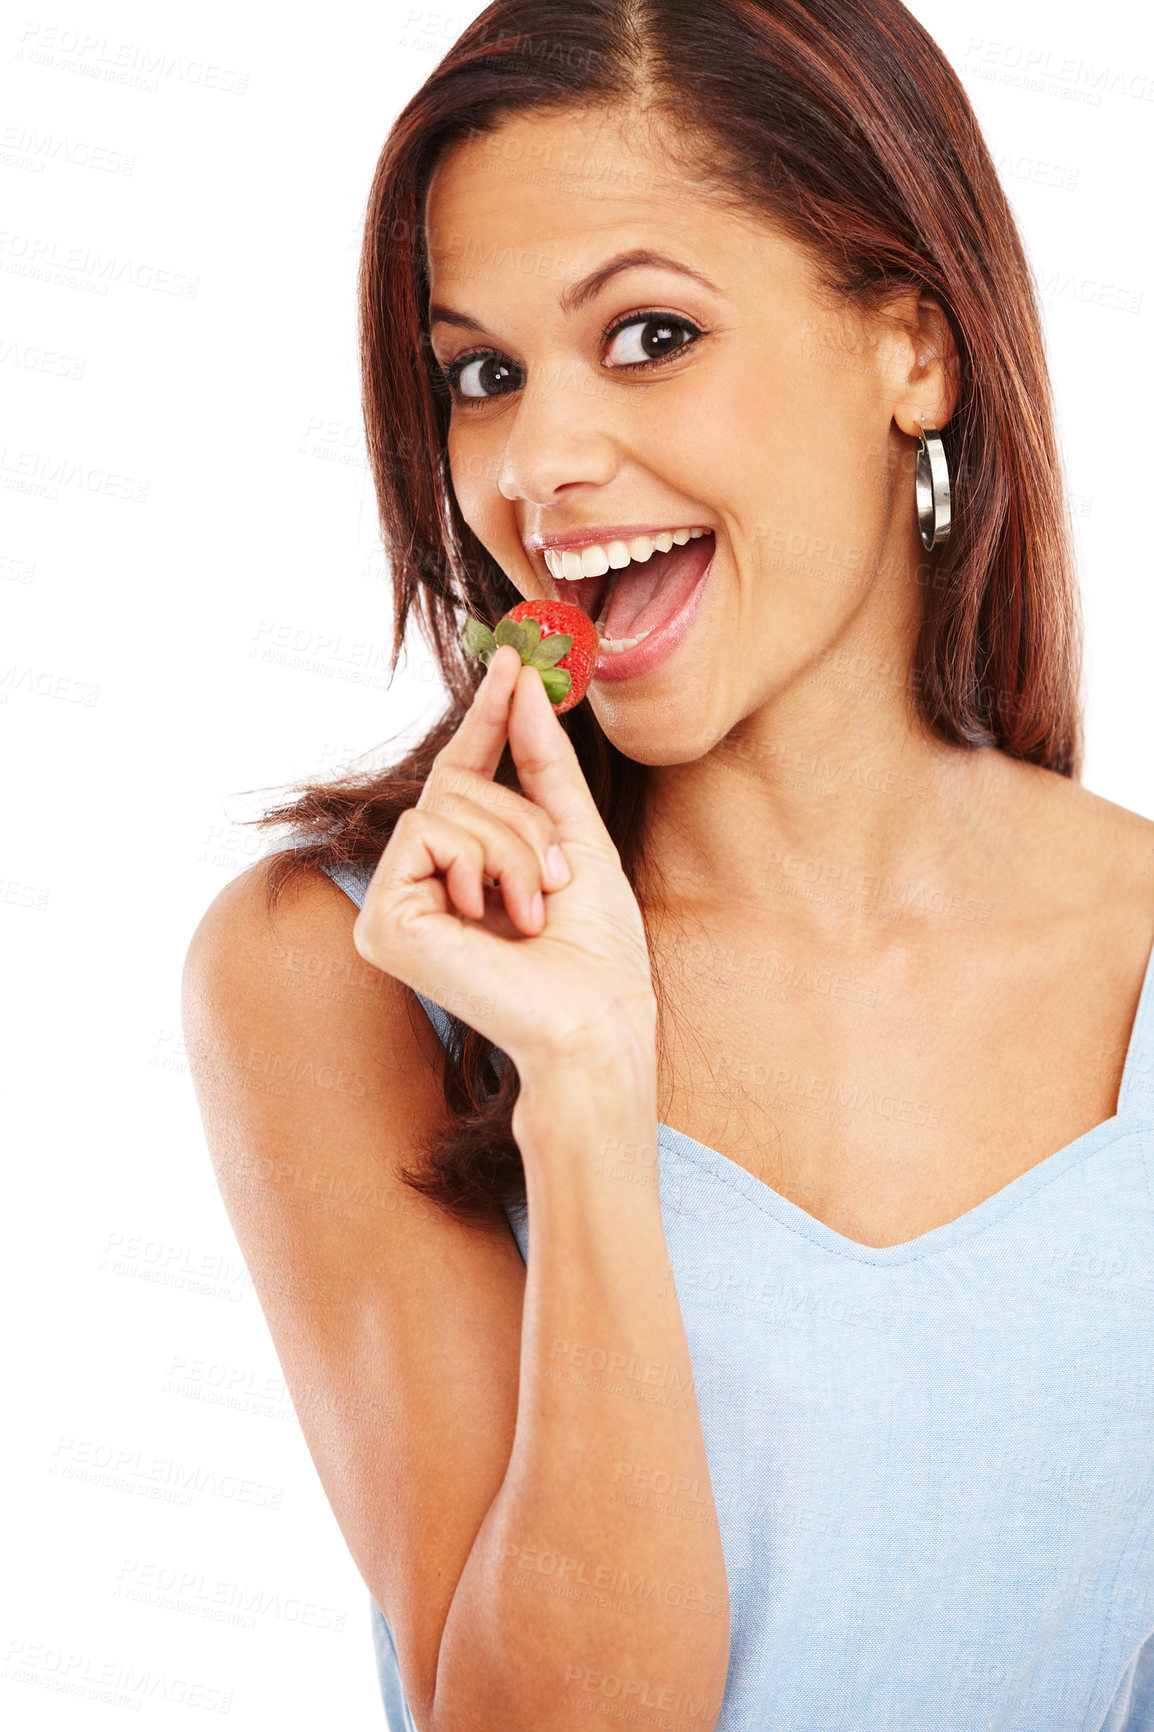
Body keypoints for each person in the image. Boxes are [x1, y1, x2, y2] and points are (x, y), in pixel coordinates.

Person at [182, 2, 1154, 1726]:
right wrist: (582, 1086)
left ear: (910, 349)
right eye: (479, 373)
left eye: (645, 335)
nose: (533, 468)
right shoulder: (344, 972)